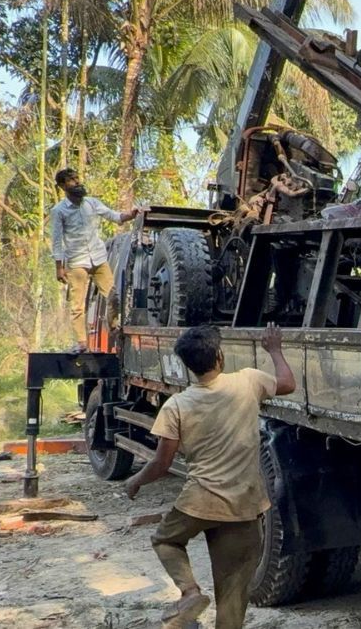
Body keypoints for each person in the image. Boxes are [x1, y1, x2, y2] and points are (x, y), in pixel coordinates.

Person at [125, 324, 296, 629]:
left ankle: (190, 592)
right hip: (244, 505)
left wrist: (135, 480)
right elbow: (287, 382)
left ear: (187, 366)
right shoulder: (247, 382)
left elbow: (161, 464)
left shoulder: (176, 405)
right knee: (232, 595)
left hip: (199, 503)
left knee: (165, 540)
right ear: (219, 356)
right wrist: (275, 350)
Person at [49, 168, 139, 352]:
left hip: (98, 258)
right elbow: (57, 240)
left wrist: (130, 214)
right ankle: (81, 342)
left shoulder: (91, 203)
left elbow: (113, 216)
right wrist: (59, 267)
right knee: (77, 305)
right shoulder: (59, 211)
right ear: (63, 186)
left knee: (113, 295)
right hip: (76, 261)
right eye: (72, 180)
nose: (77, 182)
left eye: (77, 178)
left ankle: (113, 328)